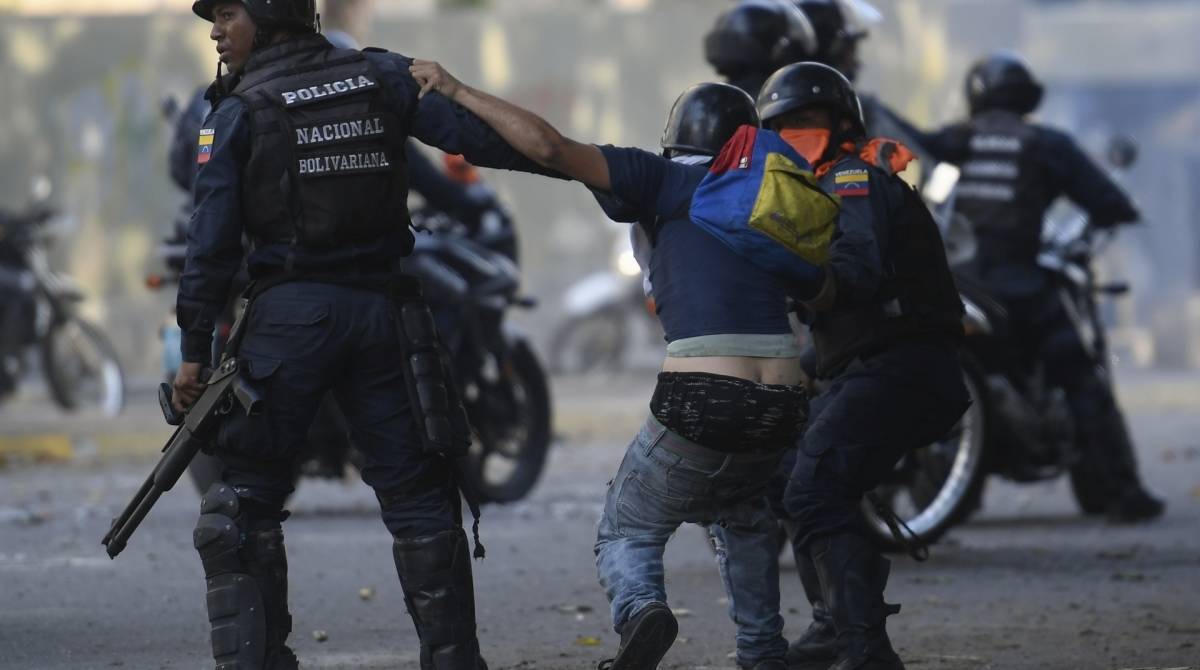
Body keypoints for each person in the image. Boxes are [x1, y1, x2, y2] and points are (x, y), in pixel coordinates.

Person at [409, 60, 835, 669]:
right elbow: (823, 295)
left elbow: (549, 147)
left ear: (678, 141)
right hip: (785, 402)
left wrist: (456, 89)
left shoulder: (661, 179)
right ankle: (763, 652)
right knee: (743, 515)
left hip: (705, 392)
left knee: (628, 525)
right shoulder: (772, 207)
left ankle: (641, 610)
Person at [174, 2, 556, 668]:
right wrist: (573, 164)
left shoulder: (238, 110)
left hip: (289, 322)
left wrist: (192, 355)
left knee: (243, 506)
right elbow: (482, 143)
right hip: (387, 316)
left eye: (227, 13)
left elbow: (208, 249)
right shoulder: (380, 78)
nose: (213, 29)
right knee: (420, 501)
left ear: (267, 17)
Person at [883, 51, 1164, 523]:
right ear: (1027, 97)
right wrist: (1120, 208)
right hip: (1022, 287)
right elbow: (1108, 201)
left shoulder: (958, 139)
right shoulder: (1045, 143)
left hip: (955, 283)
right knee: (1081, 379)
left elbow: (919, 150)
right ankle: (1120, 493)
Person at [753, 62, 970, 670]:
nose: (796, 132)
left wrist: (806, 282)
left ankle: (865, 649)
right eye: (783, 124)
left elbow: (856, 267)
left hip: (903, 364)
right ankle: (832, 622)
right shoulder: (805, 193)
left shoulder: (852, 178)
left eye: (807, 119)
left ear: (842, 124)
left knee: (817, 488)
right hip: (866, 368)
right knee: (783, 469)